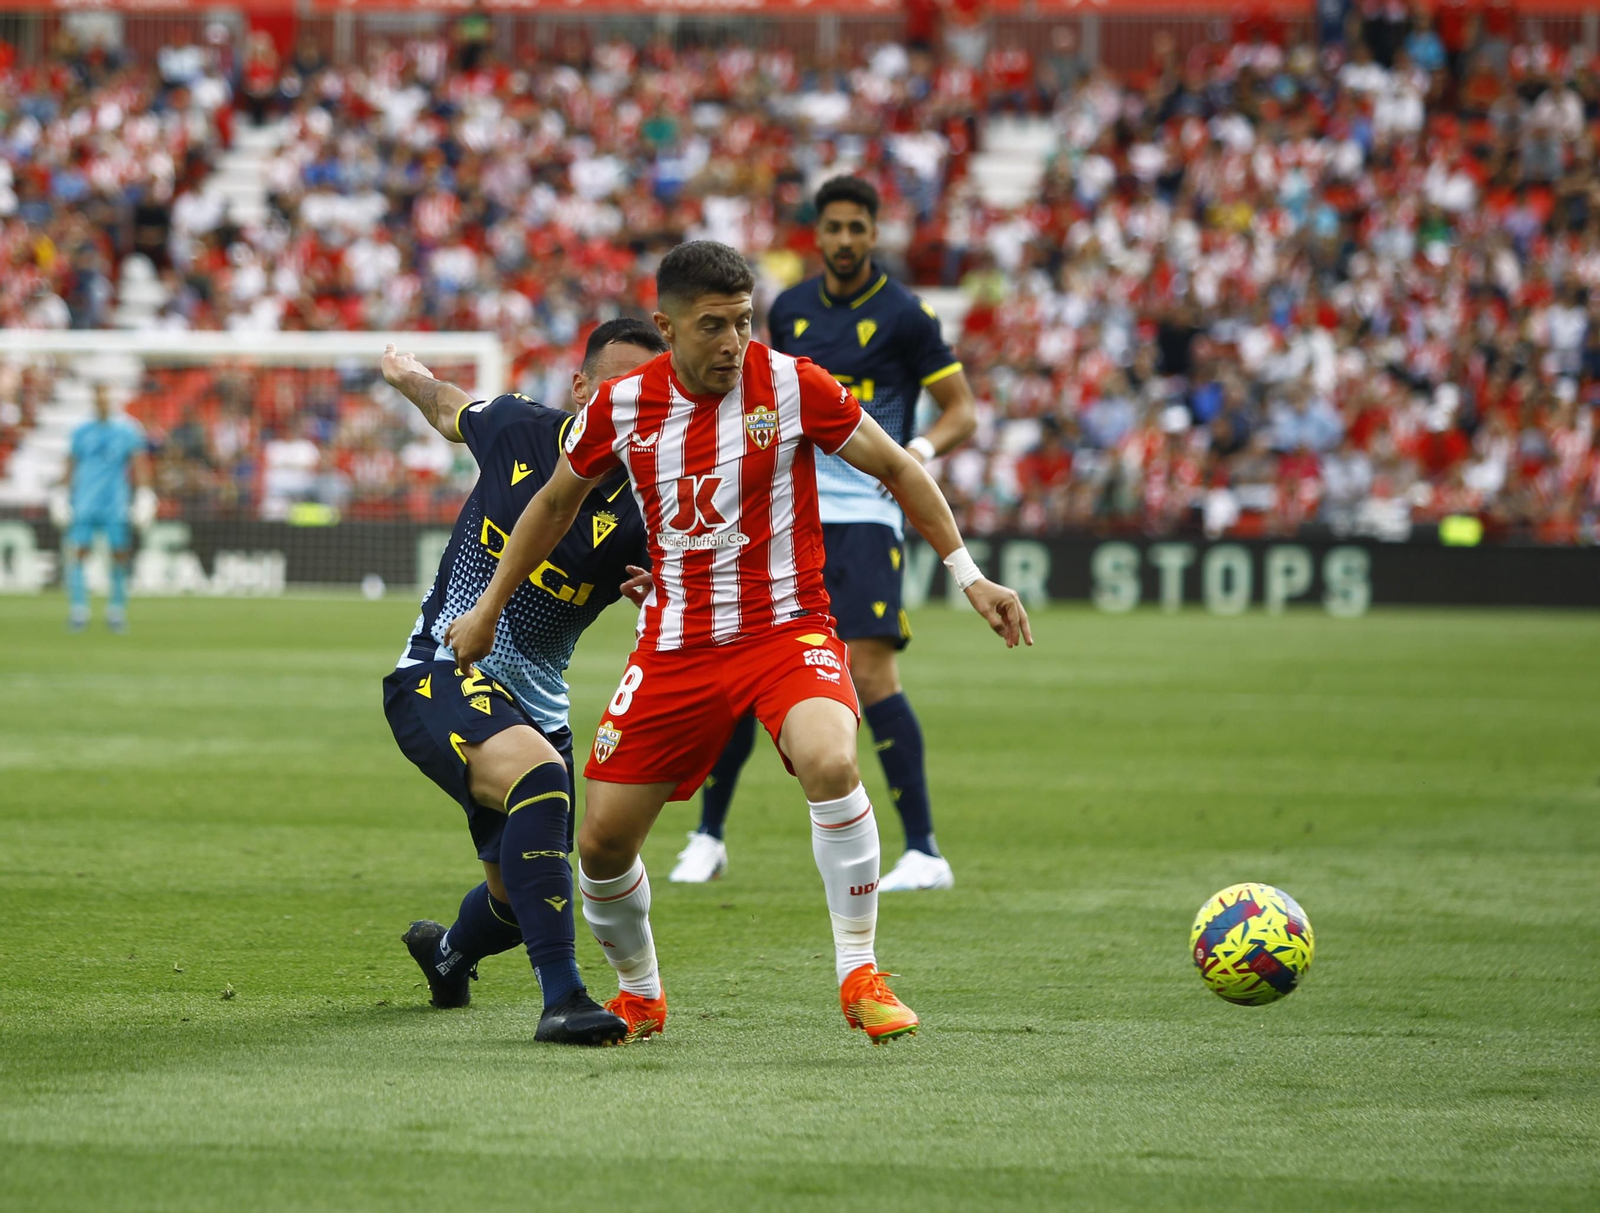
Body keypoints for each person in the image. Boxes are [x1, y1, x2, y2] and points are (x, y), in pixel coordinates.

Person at [444, 241, 1031, 1045]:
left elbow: (895, 465)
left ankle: (859, 971)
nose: (733, 342)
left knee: (830, 758)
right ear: (668, 325)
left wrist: (971, 575)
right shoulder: (621, 407)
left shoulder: (791, 384)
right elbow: (552, 504)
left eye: (744, 322)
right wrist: (485, 609)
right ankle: (640, 992)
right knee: (602, 842)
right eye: (713, 325)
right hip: (677, 645)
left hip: (785, 629)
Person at [672, 175, 978, 891]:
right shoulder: (793, 308)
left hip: (868, 514)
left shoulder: (906, 314)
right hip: (783, 512)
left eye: (856, 228)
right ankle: (708, 836)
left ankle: (925, 850)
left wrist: (917, 456)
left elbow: (960, 409)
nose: (844, 240)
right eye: (832, 227)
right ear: (818, 233)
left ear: (875, 234)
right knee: (742, 670)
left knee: (871, 675)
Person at [380, 318, 664, 1046]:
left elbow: (687, 584)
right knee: (542, 781)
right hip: (442, 670)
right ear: (580, 389)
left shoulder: (649, 505)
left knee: (517, 894)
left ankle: (447, 956)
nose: (632, 407)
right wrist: (408, 376)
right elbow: (450, 408)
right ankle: (563, 996)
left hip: (535, 703)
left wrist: (658, 587)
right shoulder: (516, 428)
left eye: (648, 396)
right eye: (618, 388)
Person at [51, 384, 155, 633]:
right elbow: (70, 462)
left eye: (106, 398)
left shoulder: (127, 430)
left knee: (119, 554)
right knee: (78, 553)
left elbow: (139, 463)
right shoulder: (81, 431)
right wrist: (62, 493)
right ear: (93, 401)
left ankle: (116, 610)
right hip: (84, 503)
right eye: (98, 398)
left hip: (115, 504)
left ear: (112, 400)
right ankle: (79, 610)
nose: (102, 402)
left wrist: (144, 494)